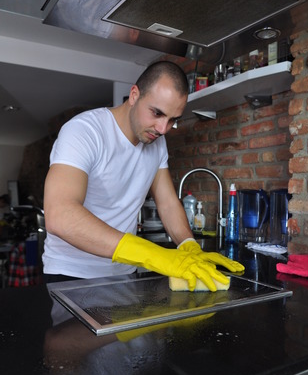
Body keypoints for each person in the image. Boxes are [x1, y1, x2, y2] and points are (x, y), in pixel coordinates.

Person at [43, 61, 244, 288]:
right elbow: (60, 214)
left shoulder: (157, 144)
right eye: (157, 113)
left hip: (124, 275)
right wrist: (153, 255)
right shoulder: (84, 131)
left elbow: (167, 202)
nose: (162, 128)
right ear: (134, 95)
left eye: (172, 120)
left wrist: (189, 246)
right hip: (71, 275)